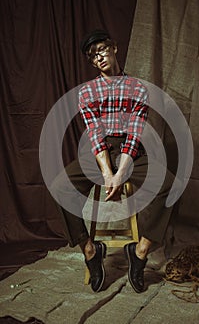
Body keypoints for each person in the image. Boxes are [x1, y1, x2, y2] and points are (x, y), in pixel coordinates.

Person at [51, 29, 174, 293]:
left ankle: (139, 252)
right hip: (98, 153)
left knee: (169, 184)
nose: (99, 57)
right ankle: (91, 251)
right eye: (93, 56)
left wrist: (121, 175)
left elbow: (134, 133)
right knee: (61, 186)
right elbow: (95, 134)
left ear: (114, 48)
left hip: (130, 152)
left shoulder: (137, 88)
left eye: (102, 50)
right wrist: (108, 173)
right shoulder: (87, 92)